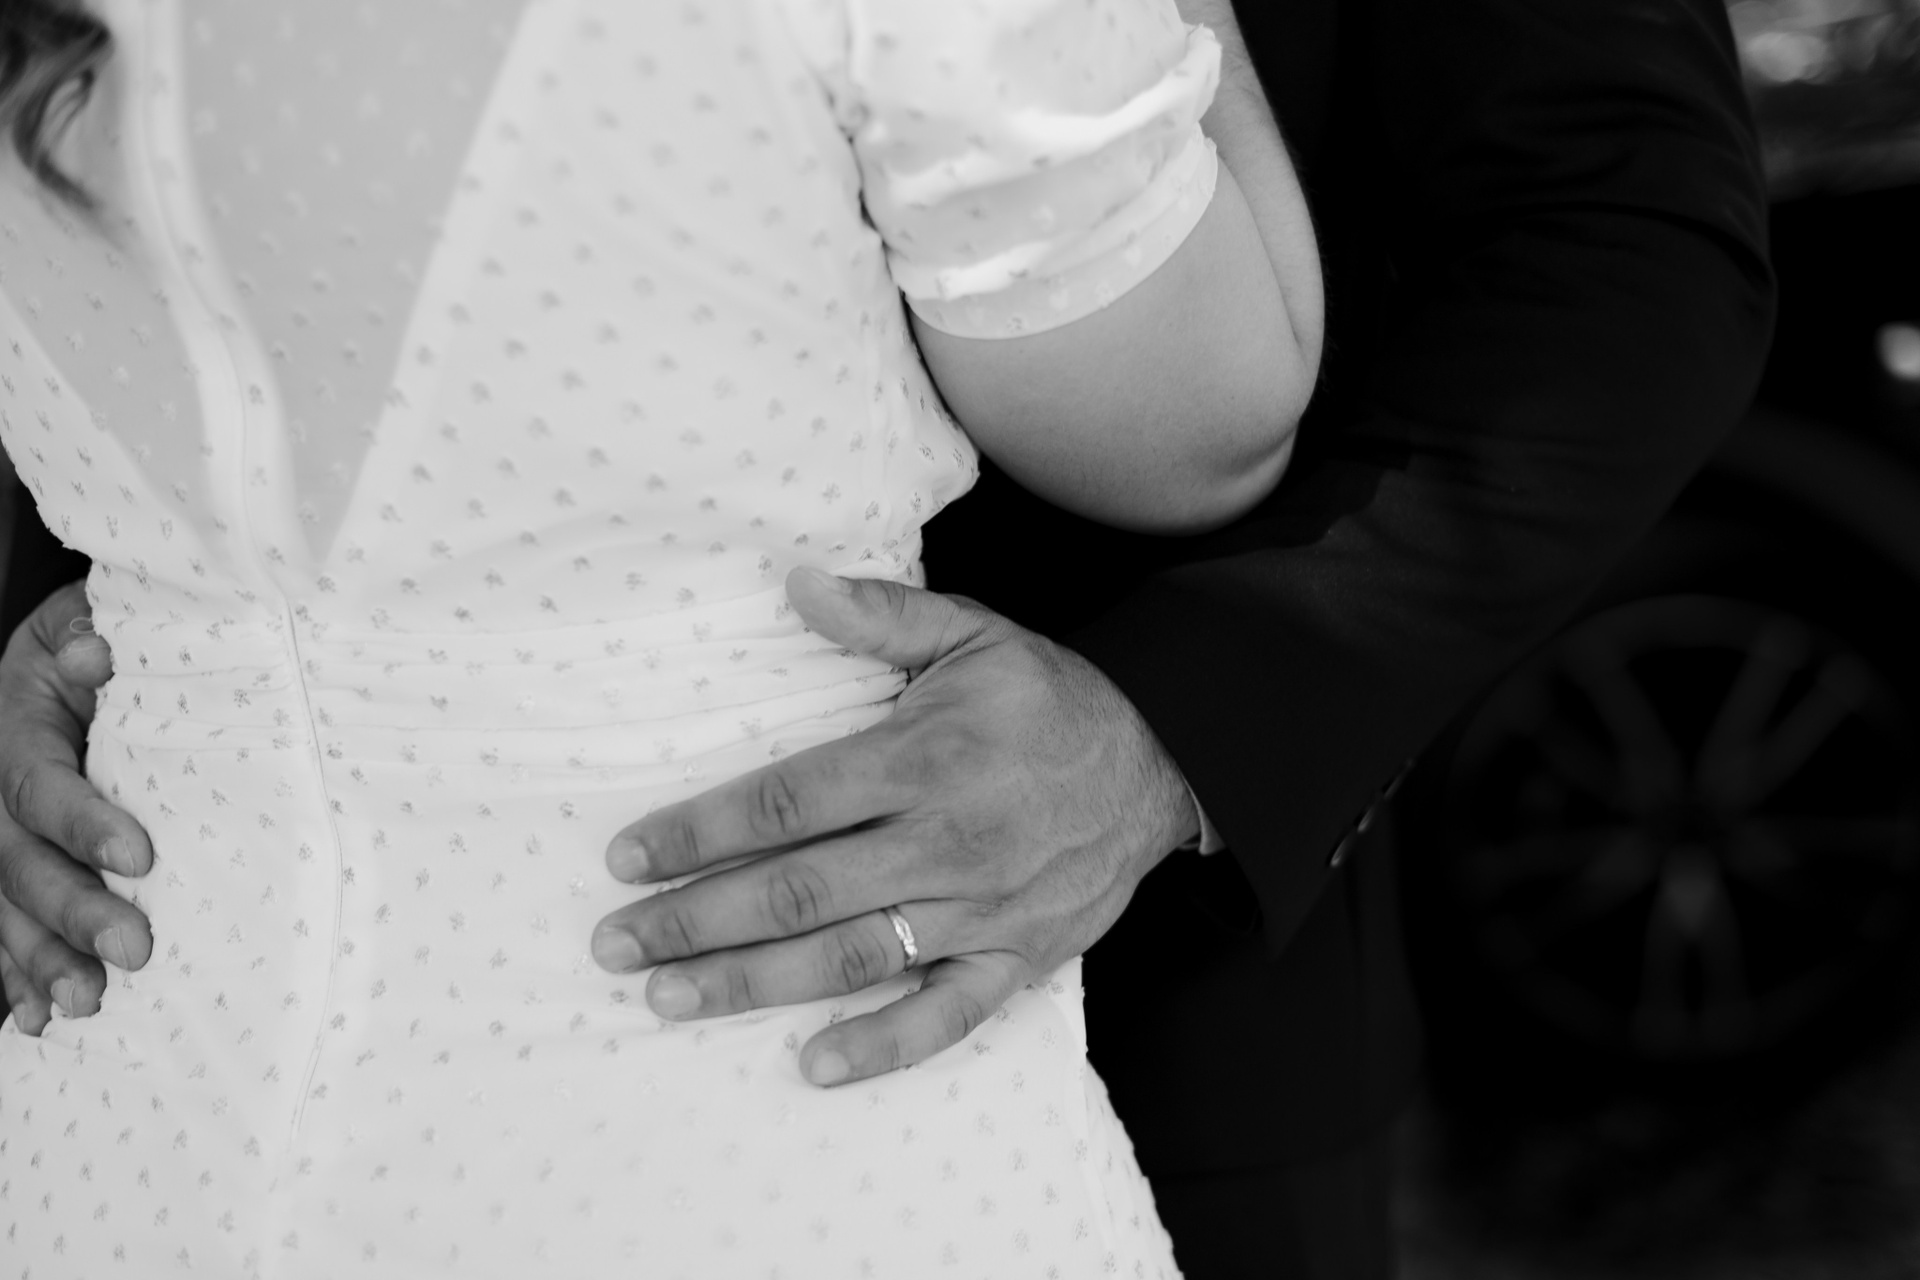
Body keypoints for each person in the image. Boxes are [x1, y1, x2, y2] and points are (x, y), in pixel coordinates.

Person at [0, 0, 1776, 1277]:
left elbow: (1630, 238)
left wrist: (1174, 731)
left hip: (1170, 986)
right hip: (182, 944)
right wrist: (102, 648)